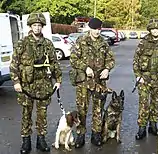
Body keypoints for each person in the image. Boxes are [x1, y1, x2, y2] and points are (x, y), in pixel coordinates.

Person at [9, 13, 62, 154]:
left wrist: (58, 80)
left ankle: (41, 140)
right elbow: (14, 64)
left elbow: (54, 63)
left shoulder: (48, 44)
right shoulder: (23, 43)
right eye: (34, 25)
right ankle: (26, 141)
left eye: (39, 25)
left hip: (44, 85)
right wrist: (16, 82)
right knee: (26, 114)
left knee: (42, 114)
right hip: (26, 85)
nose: (37, 28)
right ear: (30, 27)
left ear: (42, 27)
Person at [70, 17, 115, 147]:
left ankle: (96, 135)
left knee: (98, 110)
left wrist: (107, 68)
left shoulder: (104, 42)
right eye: (95, 29)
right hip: (84, 82)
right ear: (90, 28)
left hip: (99, 82)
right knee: (82, 110)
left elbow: (110, 59)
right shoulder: (81, 40)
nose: (97, 32)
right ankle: (81, 135)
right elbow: (73, 58)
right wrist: (85, 67)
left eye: (99, 29)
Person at [133, 19, 158, 140]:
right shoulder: (143, 42)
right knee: (144, 104)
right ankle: (142, 127)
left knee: (156, 104)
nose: (155, 31)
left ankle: (153, 125)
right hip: (144, 79)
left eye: (157, 29)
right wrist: (138, 76)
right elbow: (136, 60)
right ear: (149, 30)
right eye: (152, 29)